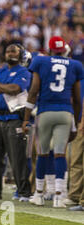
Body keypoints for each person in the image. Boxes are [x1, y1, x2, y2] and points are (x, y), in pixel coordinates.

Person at [23, 36, 83, 208]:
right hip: (65, 112)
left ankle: (39, 194)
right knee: (60, 154)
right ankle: (59, 195)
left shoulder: (41, 62)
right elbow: (77, 99)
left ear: (49, 49)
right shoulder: (75, 64)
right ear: (63, 49)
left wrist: (26, 118)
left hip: (45, 112)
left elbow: (33, 91)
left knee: (42, 153)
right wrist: (77, 120)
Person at [0, 44, 32, 201]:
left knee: (17, 158)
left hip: (13, 118)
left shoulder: (24, 71)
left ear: (20, 54)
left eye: (14, 51)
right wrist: (2, 88)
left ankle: (23, 192)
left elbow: (16, 88)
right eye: (8, 51)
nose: (10, 53)